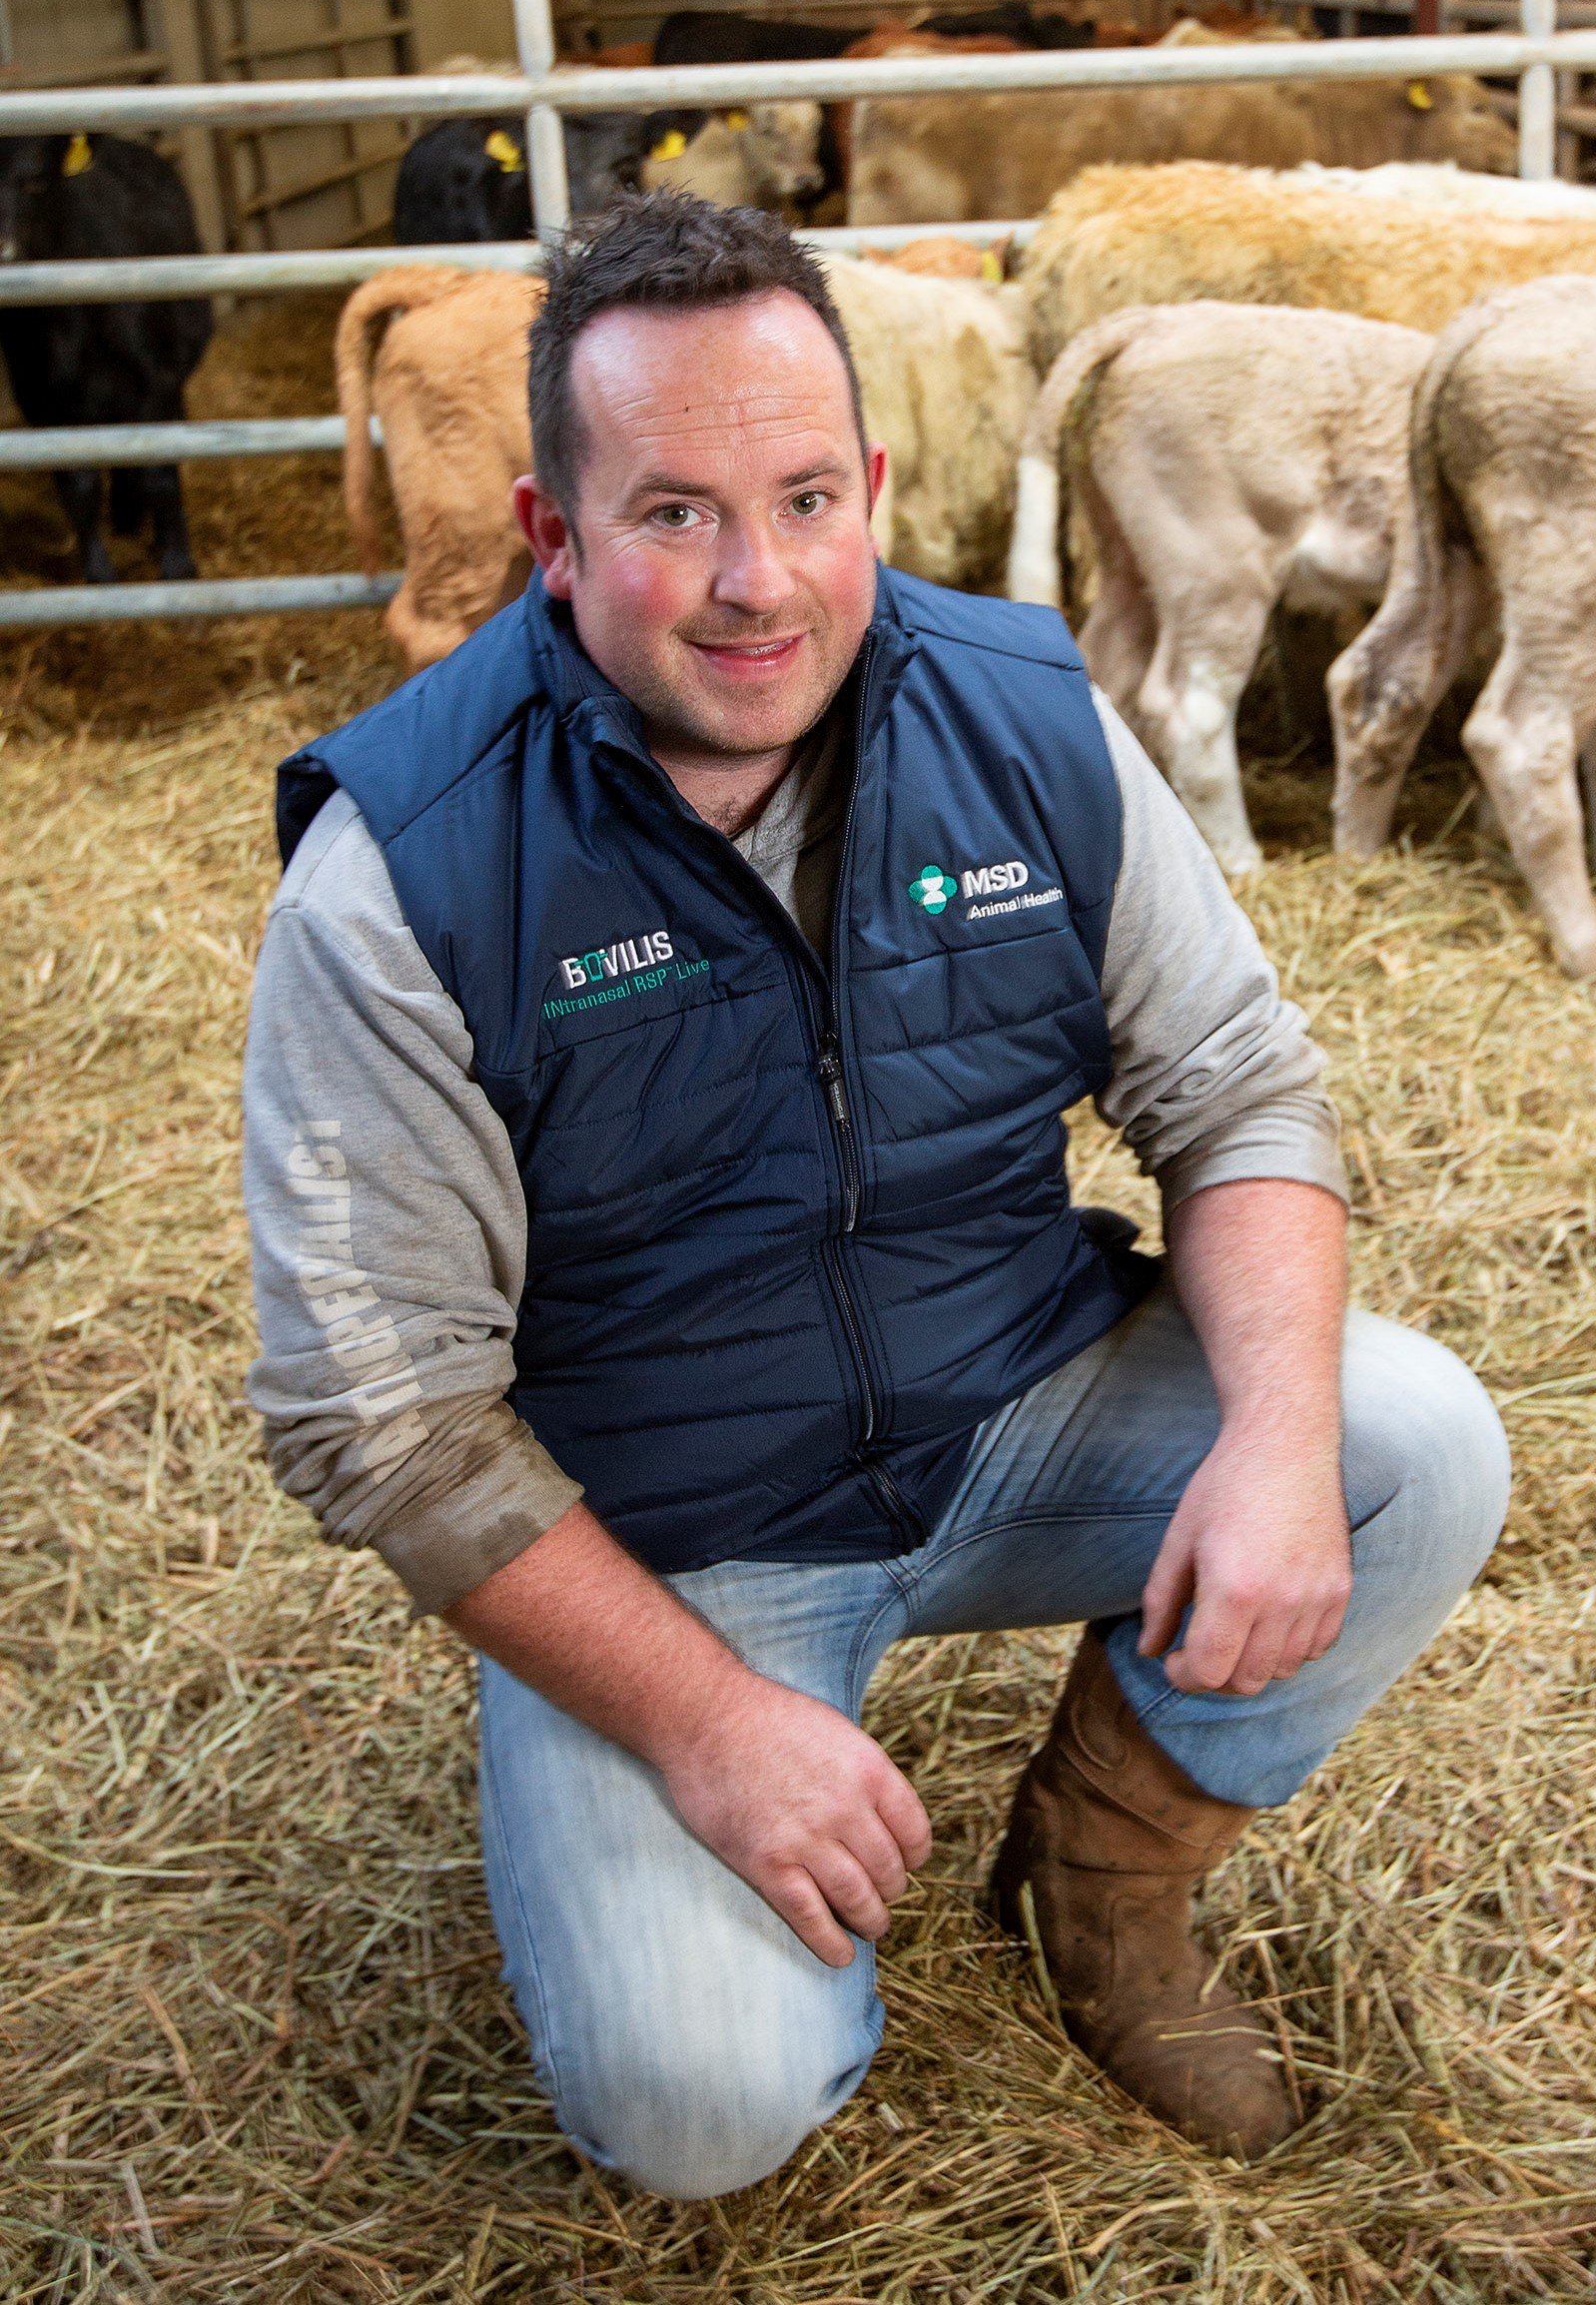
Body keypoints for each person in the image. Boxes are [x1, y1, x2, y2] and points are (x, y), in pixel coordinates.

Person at [241, 191, 1509, 2197]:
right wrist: (705, 1725)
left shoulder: (1024, 717)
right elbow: (375, 1409)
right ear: (549, 535)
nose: (759, 582)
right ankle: (716, 1820)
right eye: (670, 515)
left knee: (1407, 1444)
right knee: (696, 2106)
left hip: (1015, 1398)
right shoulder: (407, 865)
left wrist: (1269, 1445)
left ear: (875, 486)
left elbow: (1237, 1090)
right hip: (671, 1532)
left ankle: (1098, 1885)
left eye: (806, 498)